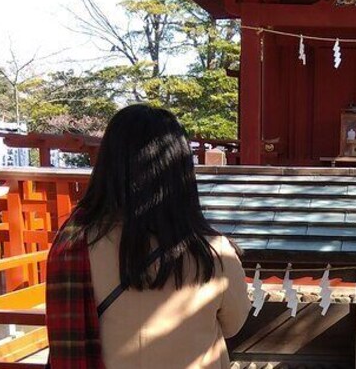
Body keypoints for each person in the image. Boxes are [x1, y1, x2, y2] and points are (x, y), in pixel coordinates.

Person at [46, 104, 250, 369]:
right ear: (181, 171)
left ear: (108, 164)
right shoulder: (213, 251)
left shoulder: (75, 245)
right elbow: (234, 324)